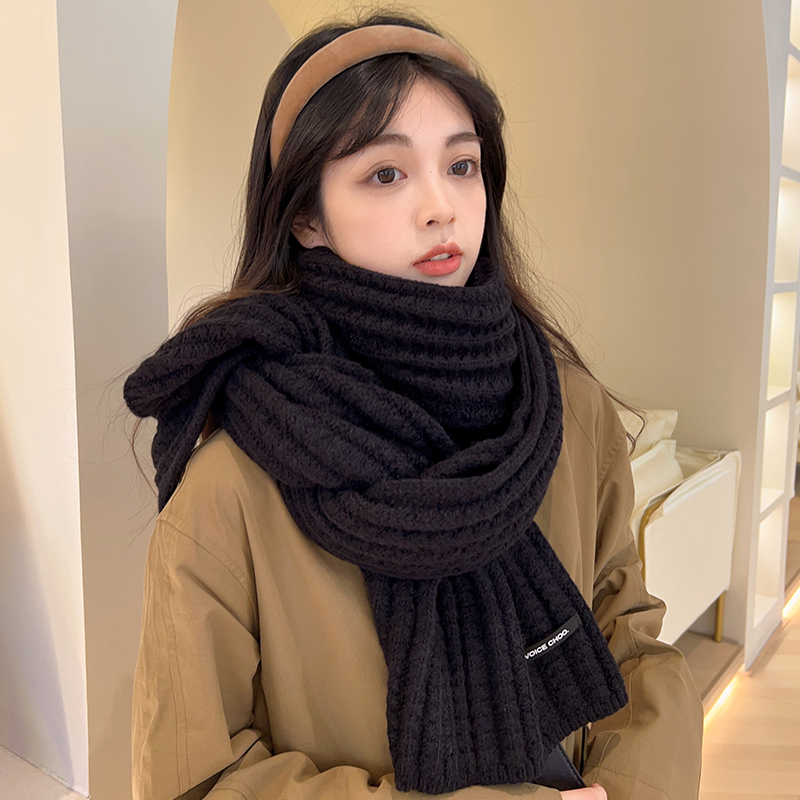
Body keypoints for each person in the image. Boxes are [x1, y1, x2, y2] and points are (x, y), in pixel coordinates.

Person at [123, 11, 703, 800]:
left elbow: (629, 641)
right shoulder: (233, 484)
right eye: (385, 174)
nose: (441, 206)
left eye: (462, 165)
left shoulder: (569, 410)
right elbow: (194, 779)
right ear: (305, 216)